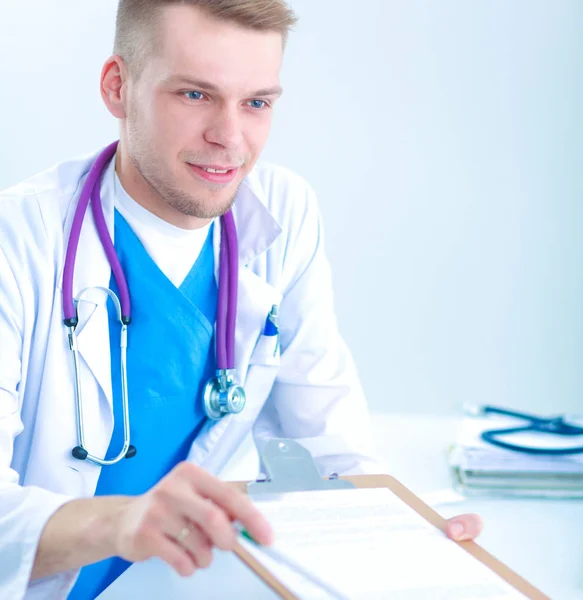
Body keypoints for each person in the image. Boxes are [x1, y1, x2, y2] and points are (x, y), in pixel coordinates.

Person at [0, 1, 483, 598]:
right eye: (195, 95)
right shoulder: (18, 241)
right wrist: (123, 523)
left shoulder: (283, 211)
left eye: (256, 102)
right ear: (117, 86)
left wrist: (396, 532)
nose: (230, 138)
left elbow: (328, 448)